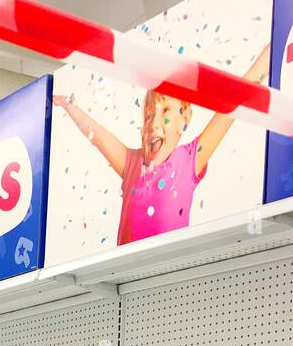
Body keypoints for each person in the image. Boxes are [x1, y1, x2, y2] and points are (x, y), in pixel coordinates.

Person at [53, 44, 270, 245]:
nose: (154, 125)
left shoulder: (190, 160)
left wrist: (268, 57)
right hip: (126, 274)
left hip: (168, 272)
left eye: (165, 112)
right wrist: (70, 106)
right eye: (148, 116)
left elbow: (233, 105)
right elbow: (98, 136)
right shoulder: (132, 165)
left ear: (185, 116)